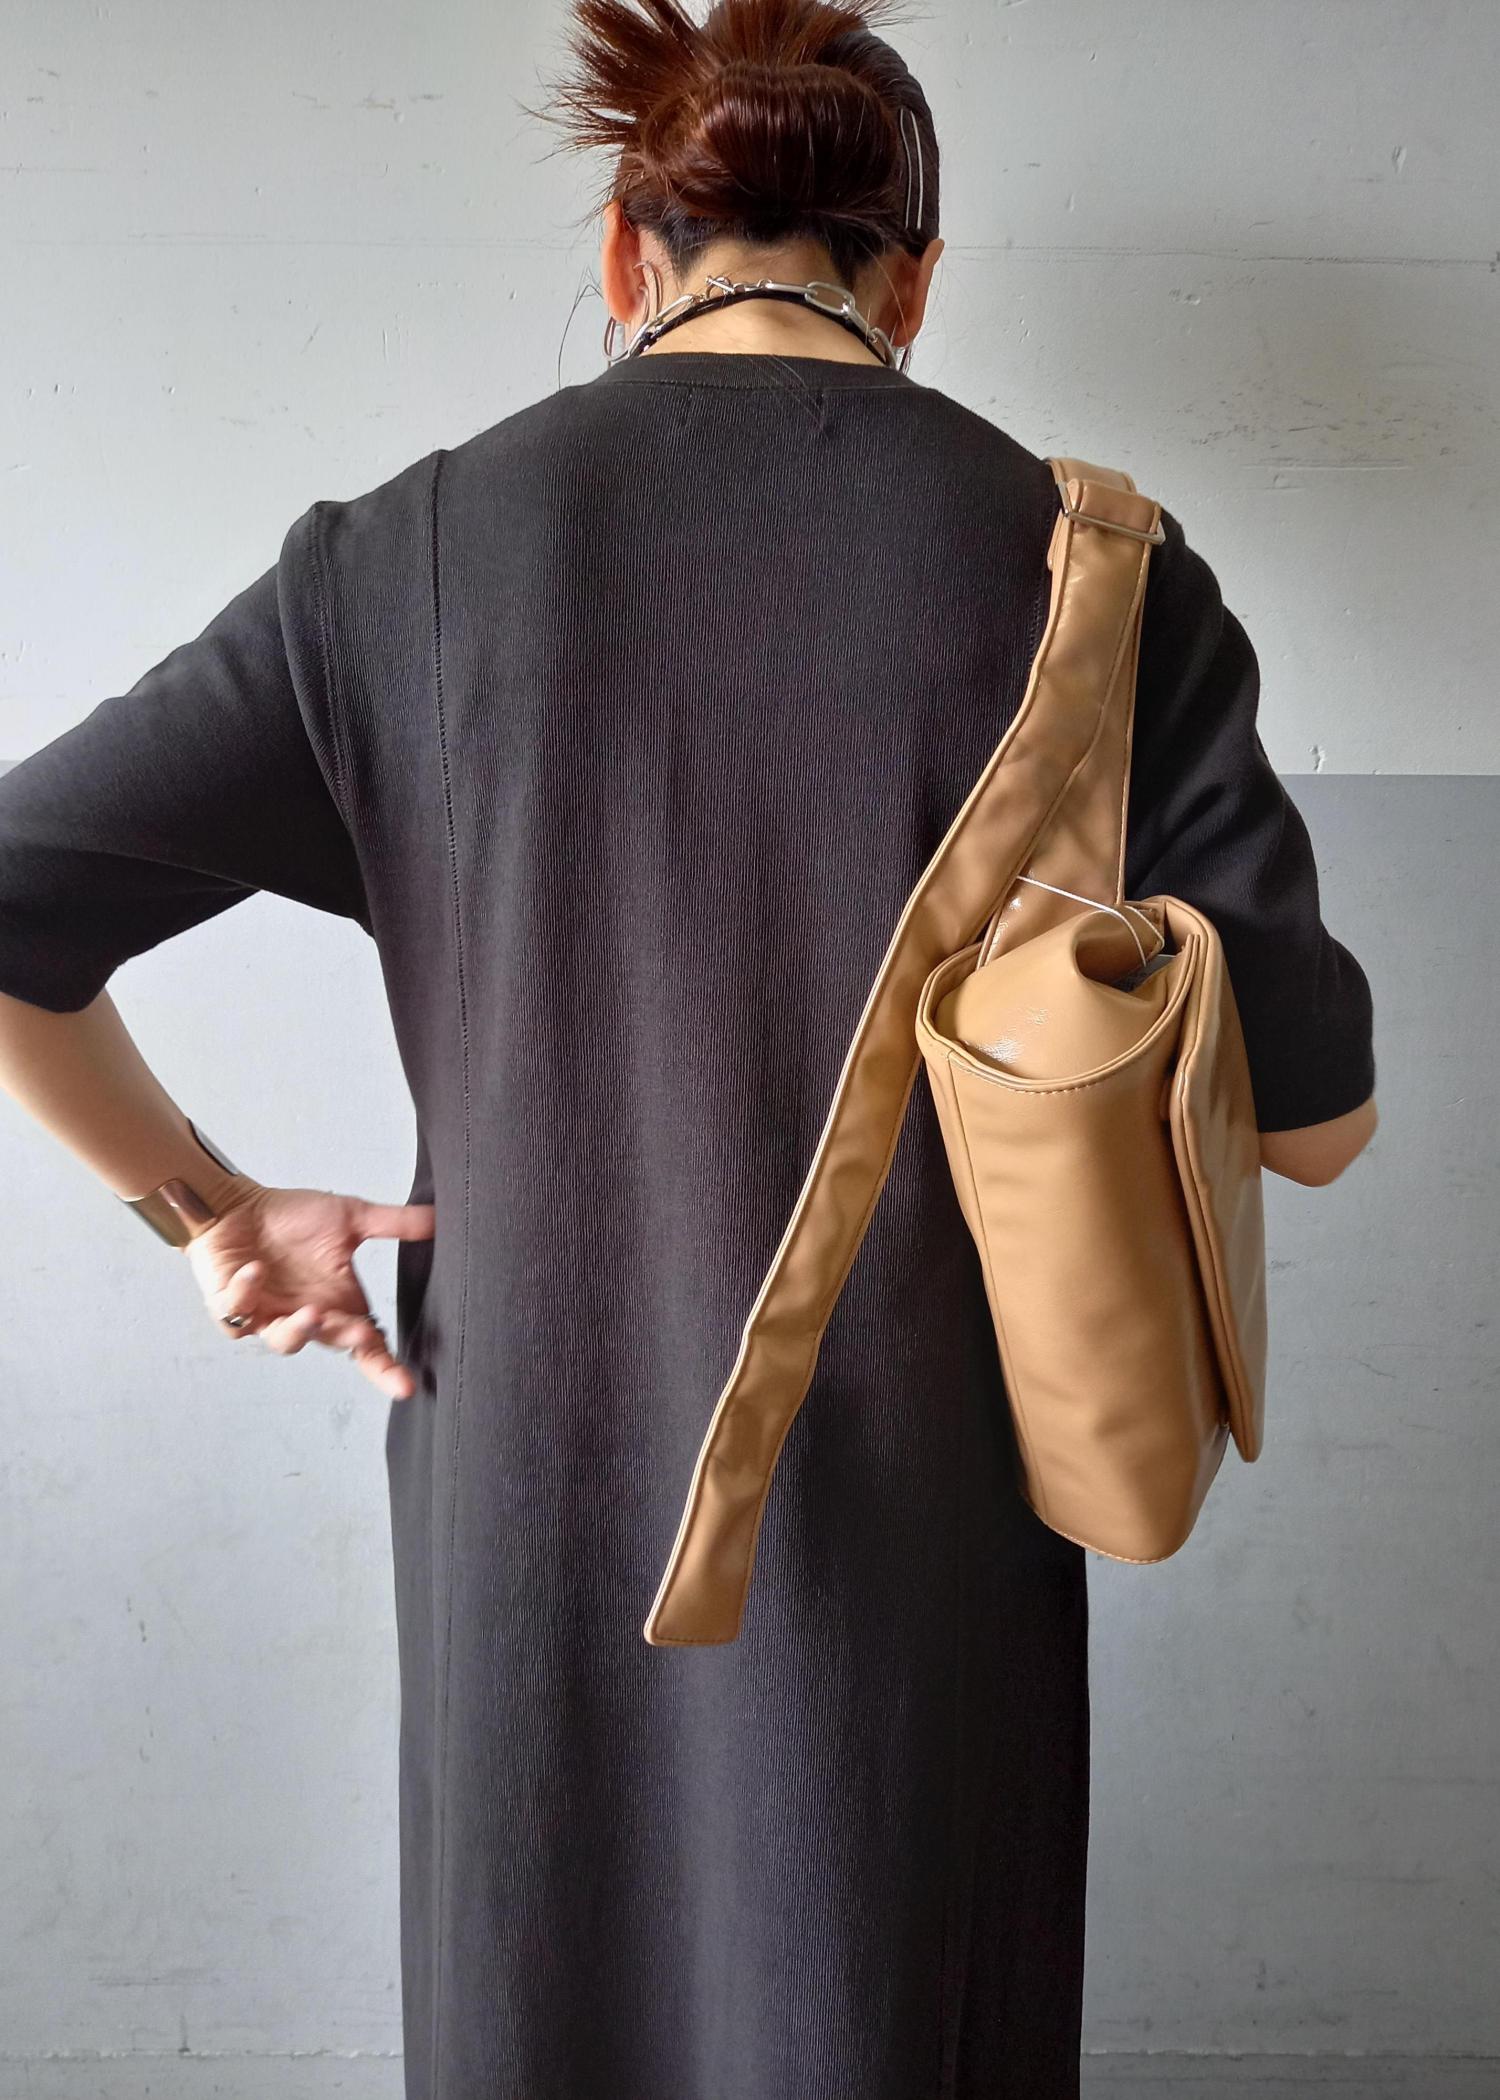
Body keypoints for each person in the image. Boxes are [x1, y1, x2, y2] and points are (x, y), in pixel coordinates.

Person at [0, 0, 1378, 2092]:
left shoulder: (399, 563)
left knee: (542, 2009)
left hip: (532, 1499)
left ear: (631, 254)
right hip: (929, 1521)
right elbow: (1319, 1126)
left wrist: (209, 1209)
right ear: (913, 281)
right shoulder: (1104, 583)